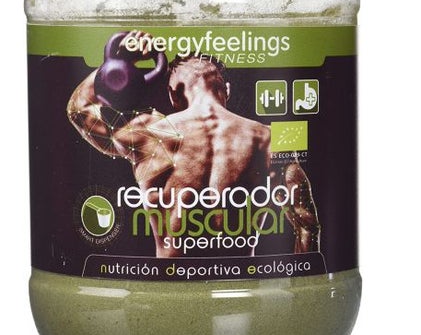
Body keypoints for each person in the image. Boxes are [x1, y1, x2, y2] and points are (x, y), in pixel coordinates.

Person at [67, 31, 320, 257]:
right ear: (227, 90)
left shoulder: (152, 132)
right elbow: (307, 223)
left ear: (173, 95)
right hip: (241, 279)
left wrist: (117, 61)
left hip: (169, 282)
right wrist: (300, 285)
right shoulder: (271, 137)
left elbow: (78, 110)